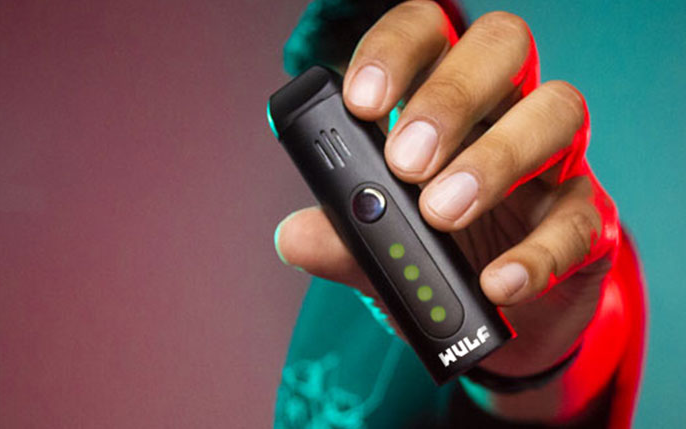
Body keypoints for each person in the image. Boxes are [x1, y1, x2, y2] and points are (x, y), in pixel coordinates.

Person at [272, 0, 647, 427]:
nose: (354, 159)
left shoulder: (563, 249)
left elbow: (586, 343)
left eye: (375, 117)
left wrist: (531, 361)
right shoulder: (345, 260)